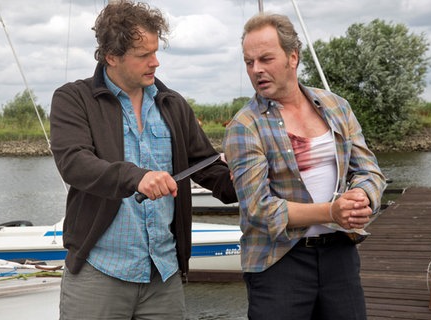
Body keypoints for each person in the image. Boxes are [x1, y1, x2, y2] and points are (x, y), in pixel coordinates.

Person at [49, 1, 236, 319]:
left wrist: (240, 180)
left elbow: (208, 166)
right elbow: (75, 162)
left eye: (155, 51)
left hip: (163, 275)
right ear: (111, 57)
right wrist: (135, 177)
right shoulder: (72, 99)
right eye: (143, 56)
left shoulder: (173, 104)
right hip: (98, 272)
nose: (156, 62)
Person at [223, 12, 387, 320]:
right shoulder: (245, 126)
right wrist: (332, 212)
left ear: (293, 57)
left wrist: (363, 198)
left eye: (266, 59)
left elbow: (370, 171)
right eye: (249, 62)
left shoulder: (337, 106)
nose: (256, 70)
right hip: (278, 262)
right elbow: (259, 209)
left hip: (340, 252)